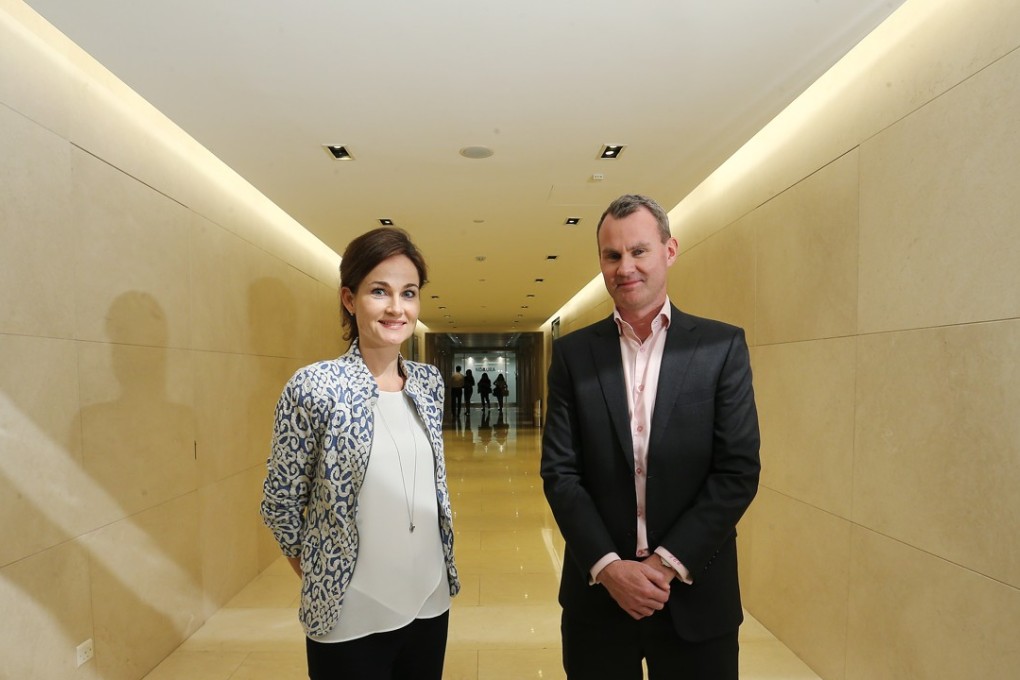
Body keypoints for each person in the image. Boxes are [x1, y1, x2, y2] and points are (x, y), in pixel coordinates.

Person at [540, 194, 760, 679]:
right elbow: (560, 473)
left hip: (696, 597)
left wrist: (662, 566)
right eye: (612, 255)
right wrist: (610, 568)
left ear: (670, 250)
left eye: (639, 251)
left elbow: (737, 471)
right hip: (597, 600)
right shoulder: (574, 356)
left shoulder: (721, 347)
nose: (625, 268)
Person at [261, 227, 460, 680]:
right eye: (379, 291)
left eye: (408, 293)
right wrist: (325, 575)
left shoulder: (428, 384)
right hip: (350, 613)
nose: (396, 308)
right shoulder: (315, 386)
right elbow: (280, 504)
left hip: (430, 599)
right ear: (350, 300)